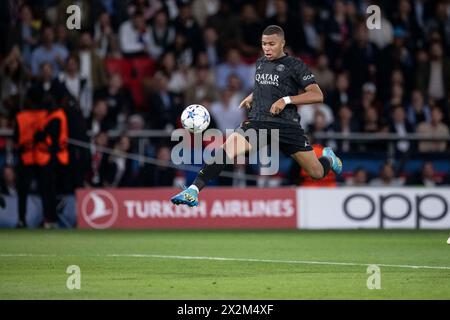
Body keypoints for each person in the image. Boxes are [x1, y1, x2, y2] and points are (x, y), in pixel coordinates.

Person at [170, 25, 342, 207]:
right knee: (225, 151)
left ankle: (328, 158)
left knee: (315, 172)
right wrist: (252, 96)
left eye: (271, 44)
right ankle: (193, 191)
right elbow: (266, 87)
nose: (267, 48)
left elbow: (317, 95)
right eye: (264, 44)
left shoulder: (296, 65)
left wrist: (286, 100)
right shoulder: (260, 64)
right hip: (259, 122)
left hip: (287, 126)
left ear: (282, 43)